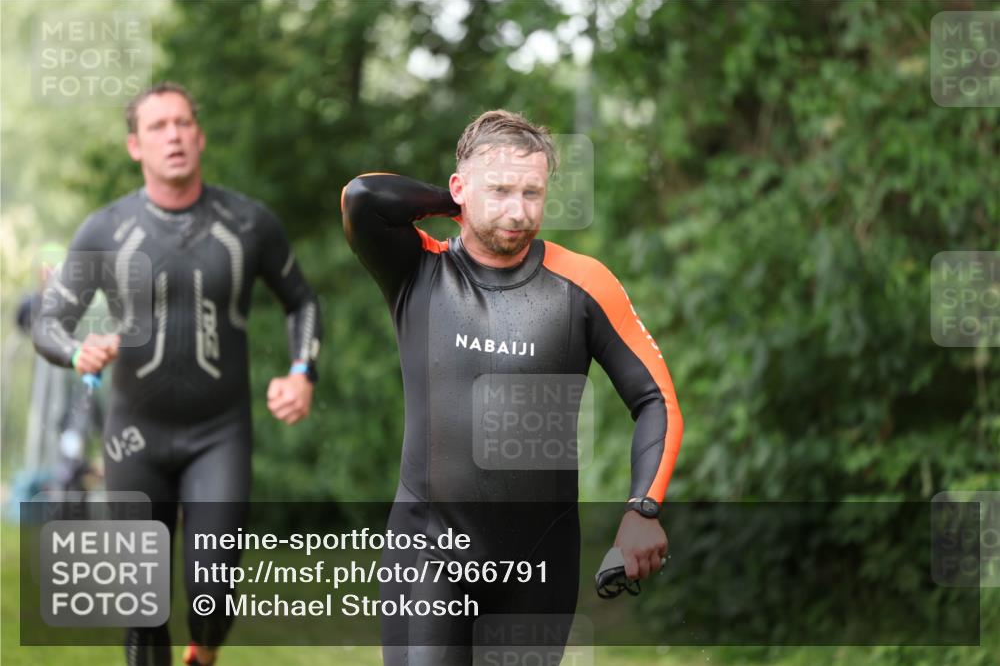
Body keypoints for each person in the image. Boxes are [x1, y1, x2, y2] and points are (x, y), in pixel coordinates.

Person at [342, 109, 683, 665]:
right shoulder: (418, 270)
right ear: (459, 191)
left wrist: (641, 510)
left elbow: (656, 401)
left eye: (532, 193)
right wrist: (460, 204)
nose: (518, 212)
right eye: (499, 190)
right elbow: (363, 197)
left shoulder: (582, 285)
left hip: (538, 565)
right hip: (429, 550)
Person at [32, 82, 322, 666]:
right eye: (159, 126)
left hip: (220, 432)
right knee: (143, 609)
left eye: (183, 123)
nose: (174, 135)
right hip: (135, 435)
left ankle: (204, 651)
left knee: (212, 594)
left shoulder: (248, 223)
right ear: (135, 145)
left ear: (201, 136)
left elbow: (302, 302)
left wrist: (301, 372)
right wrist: (75, 352)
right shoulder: (106, 230)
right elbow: (50, 321)